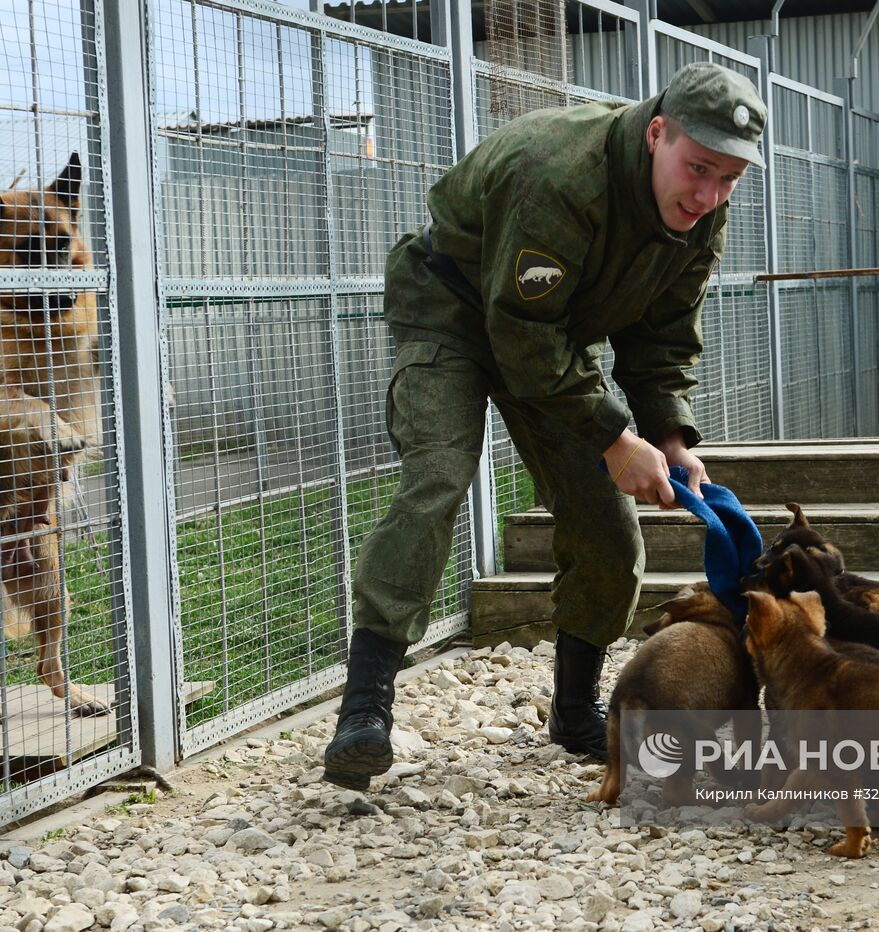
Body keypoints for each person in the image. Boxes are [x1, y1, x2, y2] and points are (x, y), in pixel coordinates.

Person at [321, 62, 767, 792]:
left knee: (607, 526)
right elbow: (518, 330)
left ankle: (572, 709)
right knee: (439, 475)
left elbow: (662, 337)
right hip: (455, 310)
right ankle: (364, 708)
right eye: (698, 169)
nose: (709, 194)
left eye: (729, 179)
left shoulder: (701, 211)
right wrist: (616, 439)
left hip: (553, 331)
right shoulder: (561, 175)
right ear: (657, 134)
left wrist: (672, 439)